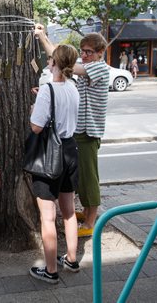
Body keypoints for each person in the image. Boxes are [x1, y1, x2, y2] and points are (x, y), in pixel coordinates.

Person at [35, 23, 109, 238]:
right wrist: (46, 37)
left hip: (88, 132)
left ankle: (91, 221)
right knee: (82, 176)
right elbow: (63, 56)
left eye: (89, 52)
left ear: (100, 53)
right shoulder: (89, 64)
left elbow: (63, 60)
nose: (84, 55)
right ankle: (86, 213)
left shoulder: (100, 67)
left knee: (89, 178)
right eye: (83, 51)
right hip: (82, 131)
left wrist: (41, 37)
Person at [27, 45, 80, 284]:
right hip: (70, 149)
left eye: (50, 60)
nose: (48, 63)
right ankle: (71, 258)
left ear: (54, 63)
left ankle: (50, 270)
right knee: (68, 212)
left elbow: (37, 127)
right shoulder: (73, 86)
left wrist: (34, 109)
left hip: (50, 154)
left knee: (47, 216)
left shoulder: (48, 89)